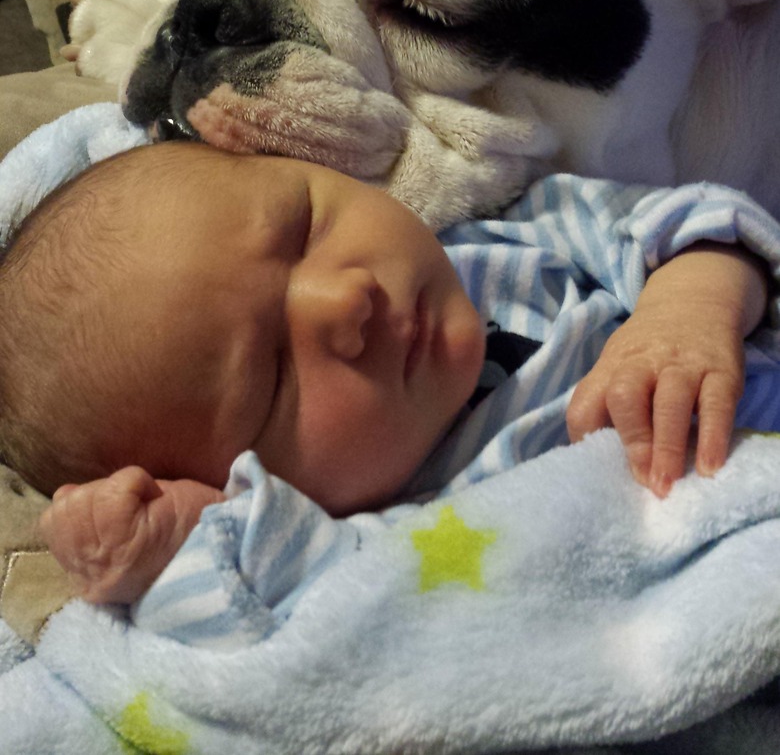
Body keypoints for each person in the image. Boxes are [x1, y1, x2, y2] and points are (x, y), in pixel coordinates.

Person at [0, 142, 775, 617]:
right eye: (272, 377)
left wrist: (683, 312)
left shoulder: (505, 242)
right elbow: (264, 617)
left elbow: (697, 221)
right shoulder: (372, 544)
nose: (344, 300)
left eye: (305, 226)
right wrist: (174, 541)